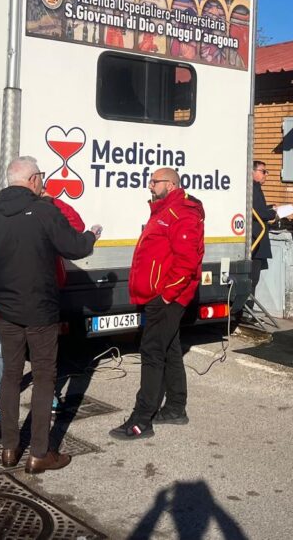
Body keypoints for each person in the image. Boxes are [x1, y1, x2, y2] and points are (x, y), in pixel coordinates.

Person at [0, 155, 101, 474]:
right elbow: (74, 247)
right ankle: (40, 453)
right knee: (43, 378)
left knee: (11, 377)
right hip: (41, 312)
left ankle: (9, 449)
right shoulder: (44, 212)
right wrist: (92, 236)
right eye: (41, 175)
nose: (43, 180)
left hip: (7, 313)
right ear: (31, 180)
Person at [110, 168, 205, 439]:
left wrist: (165, 296)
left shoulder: (182, 213)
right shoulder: (163, 211)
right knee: (170, 349)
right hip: (159, 295)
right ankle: (176, 407)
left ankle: (142, 419)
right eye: (150, 181)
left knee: (152, 352)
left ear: (172, 185)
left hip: (167, 297)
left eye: (155, 181)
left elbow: (186, 263)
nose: (150, 185)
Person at [0, 188, 86, 429]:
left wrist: (52, 201)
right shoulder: (3, 216)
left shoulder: (45, 211)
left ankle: (46, 394)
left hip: (43, 295)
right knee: (2, 353)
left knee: (45, 354)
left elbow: (76, 225)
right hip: (11, 297)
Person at [249, 160, 277, 304]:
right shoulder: (252, 189)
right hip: (255, 239)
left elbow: (259, 209)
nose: (266, 175)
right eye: (263, 171)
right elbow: (258, 212)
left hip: (258, 239)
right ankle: (247, 310)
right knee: (252, 278)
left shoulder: (256, 188)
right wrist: (274, 213)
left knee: (255, 277)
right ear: (252, 172)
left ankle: (248, 310)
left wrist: (271, 208)